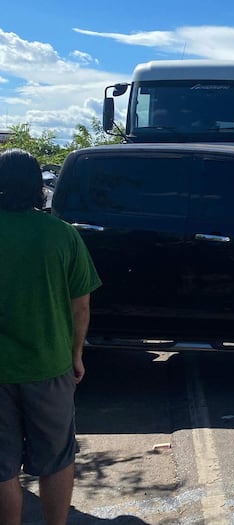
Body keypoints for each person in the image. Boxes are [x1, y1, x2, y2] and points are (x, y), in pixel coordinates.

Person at [0, 149, 102, 525]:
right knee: (57, 458)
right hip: (49, 365)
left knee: (2, 467)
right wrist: (77, 355)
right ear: (38, 188)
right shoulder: (61, 235)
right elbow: (81, 306)